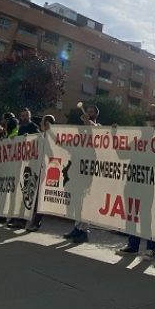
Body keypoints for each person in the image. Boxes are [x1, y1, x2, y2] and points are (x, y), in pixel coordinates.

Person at [117, 104, 155, 259]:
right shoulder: (137, 138)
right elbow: (122, 155)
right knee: (131, 214)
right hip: (132, 180)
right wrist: (115, 135)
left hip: (147, 181)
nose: (148, 115)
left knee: (146, 215)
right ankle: (133, 245)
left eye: (152, 113)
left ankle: (150, 248)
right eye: (147, 112)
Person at [63, 103, 100, 243]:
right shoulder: (80, 130)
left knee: (85, 199)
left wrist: (87, 122)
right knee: (77, 199)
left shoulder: (98, 127)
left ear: (96, 115)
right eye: (88, 111)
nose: (89, 113)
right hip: (77, 166)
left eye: (92, 112)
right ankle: (77, 227)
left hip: (89, 167)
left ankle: (84, 231)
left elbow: (95, 131)